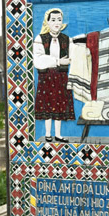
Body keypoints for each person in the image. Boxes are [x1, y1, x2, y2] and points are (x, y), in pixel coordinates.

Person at [33, 8, 74, 142]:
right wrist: (56, 61)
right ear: (47, 22)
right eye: (53, 20)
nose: (57, 22)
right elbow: (38, 60)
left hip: (61, 76)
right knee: (47, 105)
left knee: (59, 105)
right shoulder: (40, 38)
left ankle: (58, 134)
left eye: (59, 19)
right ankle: (47, 133)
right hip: (46, 77)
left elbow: (73, 55)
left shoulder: (67, 39)